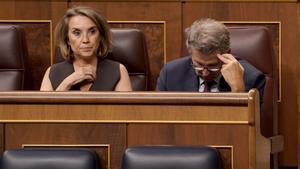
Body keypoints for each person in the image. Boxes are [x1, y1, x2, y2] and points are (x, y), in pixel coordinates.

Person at [156, 18, 265, 99]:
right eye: (198, 65)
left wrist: (238, 90)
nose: (205, 73)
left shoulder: (252, 79)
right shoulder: (170, 74)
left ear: (227, 54)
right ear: (191, 53)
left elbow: (248, 127)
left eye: (212, 66)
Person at [40, 6, 132, 91]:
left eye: (92, 31)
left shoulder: (118, 71)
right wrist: (68, 82)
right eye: (77, 33)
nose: (85, 40)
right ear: (67, 39)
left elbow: (126, 109)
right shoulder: (52, 72)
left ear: (100, 36)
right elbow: (43, 108)